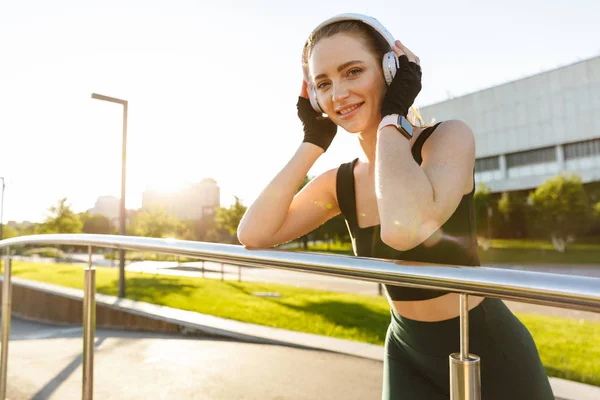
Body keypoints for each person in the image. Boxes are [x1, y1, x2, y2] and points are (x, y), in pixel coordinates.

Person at [237, 13, 554, 400]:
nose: (338, 94)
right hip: (406, 352)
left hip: (486, 348)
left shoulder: (447, 139)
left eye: (353, 72)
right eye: (323, 83)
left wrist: (393, 117)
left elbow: (403, 228)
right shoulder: (341, 184)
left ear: (391, 70)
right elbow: (254, 232)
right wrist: (313, 142)